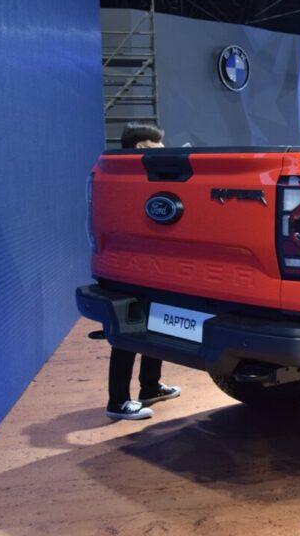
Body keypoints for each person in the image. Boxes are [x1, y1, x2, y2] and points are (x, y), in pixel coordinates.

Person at [107, 122, 181, 420]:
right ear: (140, 147)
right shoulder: (122, 179)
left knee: (155, 325)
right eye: (156, 144)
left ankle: (150, 386)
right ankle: (117, 402)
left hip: (153, 267)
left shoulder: (147, 177)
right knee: (128, 334)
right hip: (131, 269)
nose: (163, 149)